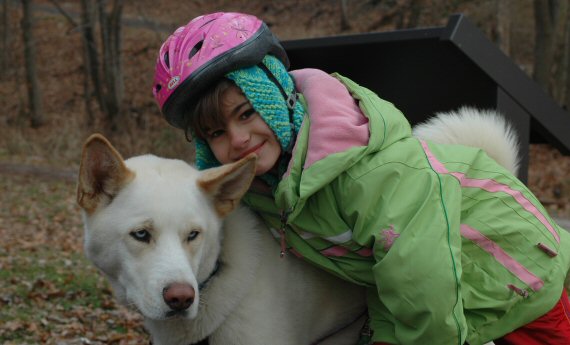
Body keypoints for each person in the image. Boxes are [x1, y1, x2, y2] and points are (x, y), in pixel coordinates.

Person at [152, 12, 570, 345]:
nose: (239, 140)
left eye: (247, 113)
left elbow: (424, 282)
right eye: (216, 133)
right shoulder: (267, 184)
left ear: (277, 99)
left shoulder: (368, 172)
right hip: (423, 300)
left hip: (515, 275)